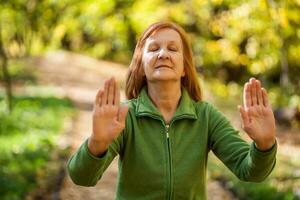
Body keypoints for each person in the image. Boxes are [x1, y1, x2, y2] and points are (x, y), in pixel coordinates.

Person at [67, 22, 277, 200]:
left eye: (173, 49)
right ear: (141, 66)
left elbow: (250, 170)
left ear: (185, 68)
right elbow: (81, 177)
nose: (163, 54)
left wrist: (265, 145)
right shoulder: (125, 117)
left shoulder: (206, 116)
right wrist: (97, 143)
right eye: (153, 48)